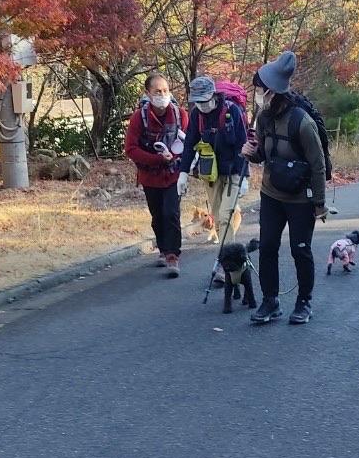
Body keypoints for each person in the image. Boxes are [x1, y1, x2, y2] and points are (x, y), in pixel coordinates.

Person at [241, 51, 327, 325]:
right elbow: (265, 154)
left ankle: (304, 302)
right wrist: (250, 153)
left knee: (300, 249)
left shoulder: (302, 121)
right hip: (271, 193)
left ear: (273, 91)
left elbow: (318, 164)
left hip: (300, 197)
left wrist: (319, 203)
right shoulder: (264, 117)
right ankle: (270, 301)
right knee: (267, 246)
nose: (258, 94)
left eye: (261, 89)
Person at [179, 75, 249, 283]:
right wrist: (183, 173)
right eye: (197, 101)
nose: (202, 105)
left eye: (204, 100)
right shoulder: (196, 115)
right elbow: (190, 142)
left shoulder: (231, 111)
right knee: (218, 220)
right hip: (211, 174)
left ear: (213, 95)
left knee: (227, 216)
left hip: (234, 170)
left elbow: (242, 144)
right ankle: (232, 261)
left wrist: (244, 176)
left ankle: (229, 268)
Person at [125, 73, 188, 278]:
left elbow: (189, 143)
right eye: (157, 91)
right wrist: (158, 159)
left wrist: (174, 156)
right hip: (149, 175)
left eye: (165, 91)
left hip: (173, 174)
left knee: (171, 213)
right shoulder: (139, 117)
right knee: (157, 215)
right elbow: (131, 149)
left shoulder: (180, 114)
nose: (162, 95)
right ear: (148, 94)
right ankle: (162, 249)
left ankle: (173, 256)